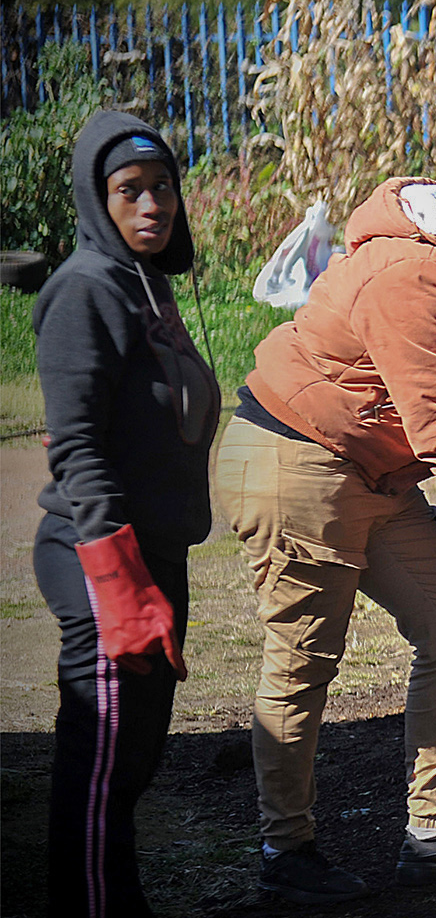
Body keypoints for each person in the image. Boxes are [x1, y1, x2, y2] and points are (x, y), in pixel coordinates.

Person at [213, 116, 436, 903]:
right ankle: (284, 853)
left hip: (375, 473)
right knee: (305, 658)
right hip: (293, 458)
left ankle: (432, 835)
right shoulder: (412, 274)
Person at [33, 111, 220, 917]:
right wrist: (117, 581)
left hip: (158, 553)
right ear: (96, 200)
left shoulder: (147, 285)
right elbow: (75, 447)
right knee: (103, 757)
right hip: (102, 557)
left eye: (163, 188)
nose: (153, 206)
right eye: (129, 192)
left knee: (137, 755)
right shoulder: (83, 291)